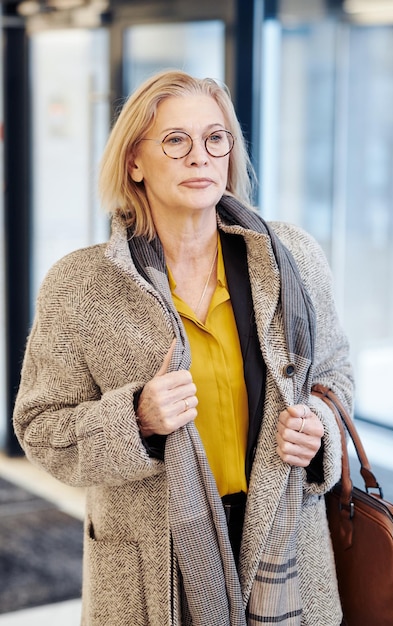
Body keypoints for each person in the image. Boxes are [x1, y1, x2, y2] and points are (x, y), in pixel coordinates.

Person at [13, 69, 354, 626]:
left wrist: (319, 424)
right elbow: (40, 428)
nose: (200, 156)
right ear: (134, 163)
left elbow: (336, 375)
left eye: (215, 138)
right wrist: (136, 419)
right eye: (176, 140)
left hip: (285, 548)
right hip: (154, 569)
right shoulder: (79, 286)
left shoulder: (290, 258)